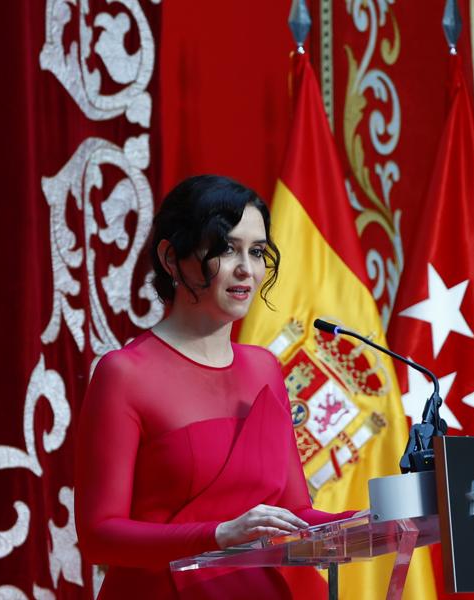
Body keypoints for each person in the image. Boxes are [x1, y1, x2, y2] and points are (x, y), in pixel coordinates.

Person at [74, 175, 352, 598]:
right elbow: (98, 536)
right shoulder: (124, 373)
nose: (247, 268)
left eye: (257, 252)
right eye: (226, 248)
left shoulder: (264, 368)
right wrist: (218, 534)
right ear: (171, 257)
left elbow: (295, 514)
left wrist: (377, 521)